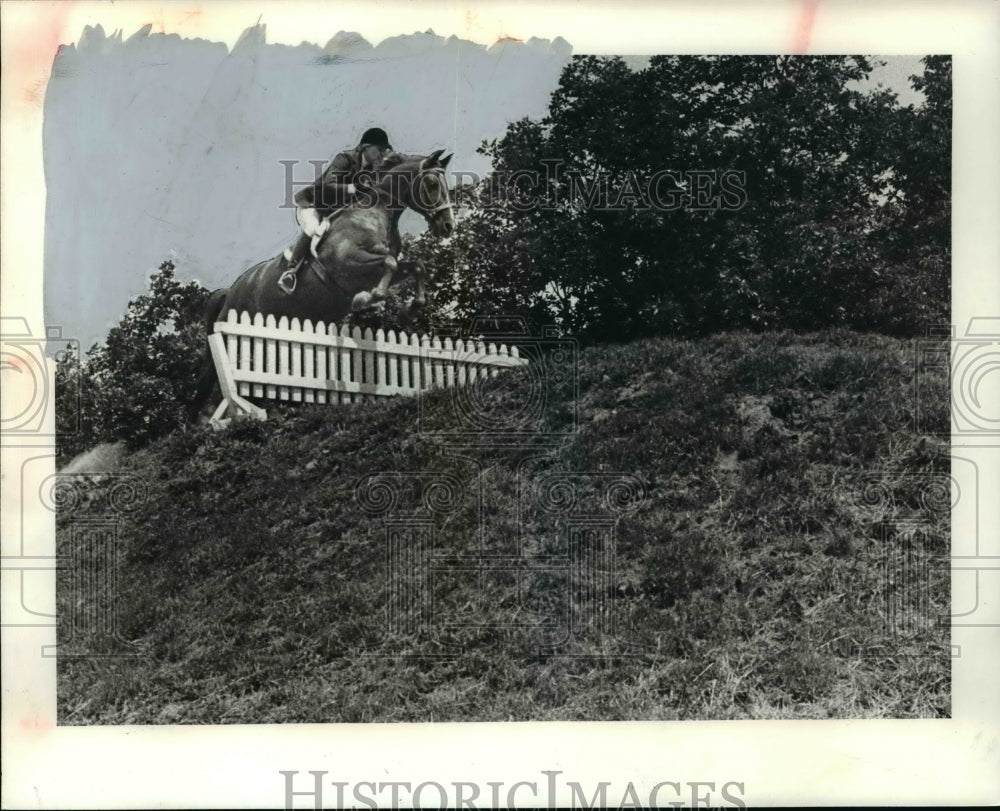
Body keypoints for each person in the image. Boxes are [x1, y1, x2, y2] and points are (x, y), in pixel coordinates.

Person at [277, 127, 394, 294]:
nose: (382, 154)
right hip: (314, 205)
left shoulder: (370, 172)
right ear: (366, 147)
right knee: (312, 228)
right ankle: (290, 272)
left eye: (385, 150)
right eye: (380, 149)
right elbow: (329, 184)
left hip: (335, 212)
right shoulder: (345, 159)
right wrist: (354, 187)